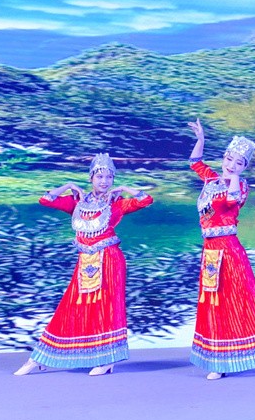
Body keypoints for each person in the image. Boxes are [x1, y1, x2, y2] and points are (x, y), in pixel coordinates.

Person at [14, 153, 152, 376]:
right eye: (99, 176)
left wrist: (125, 188)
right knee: (71, 307)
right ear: (91, 178)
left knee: (107, 308)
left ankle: (107, 359)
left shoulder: (116, 203)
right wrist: (69, 185)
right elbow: (45, 200)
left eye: (109, 177)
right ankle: (42, 357)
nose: (104, 181)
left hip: (110, 261)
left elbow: (146, 200)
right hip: (86, 261)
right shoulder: (78, 202)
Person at [188, 119, 255, 380]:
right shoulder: (210, 179)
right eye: (229, 159)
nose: (231, 165)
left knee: (247, 301)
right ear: (223, 157)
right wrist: (201, 139)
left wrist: (234, 176)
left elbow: (231, 201)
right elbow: (195, 162)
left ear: (245, 167)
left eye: (238, 162)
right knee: (214, 303)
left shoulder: (241, 186)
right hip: (210, 252)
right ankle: (219, 360)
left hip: (230, 251)